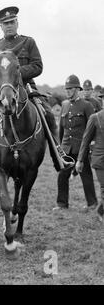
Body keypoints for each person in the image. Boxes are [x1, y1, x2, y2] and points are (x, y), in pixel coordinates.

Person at [0, 6, 71, 173]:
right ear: (0, 26)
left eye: (12, 22)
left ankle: (58, 154)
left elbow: (38, 66)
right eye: (5, 23)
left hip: (28, 89)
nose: (9, 25)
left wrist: (14, 73)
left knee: (48, 114)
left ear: (17, 23)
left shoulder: (28, 42)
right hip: (1, 92)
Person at [53, 75, 97, 211]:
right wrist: (60, 148)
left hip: (81, 148)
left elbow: (92, 128)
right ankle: (62, 204)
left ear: (77, 89)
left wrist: (91, 147)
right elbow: (61, 128)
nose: (67, 91)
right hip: (67, 147)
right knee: (62, 176)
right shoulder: (65, 105)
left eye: (70, 89)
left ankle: (92, 204)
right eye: (66, 89)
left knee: (86, 176)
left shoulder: (86, 105)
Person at [76, 91, 104, 221]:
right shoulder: (95, 118)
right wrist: (80, 160)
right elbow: (85, 141)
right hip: (100, 159)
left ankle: (100, 209)